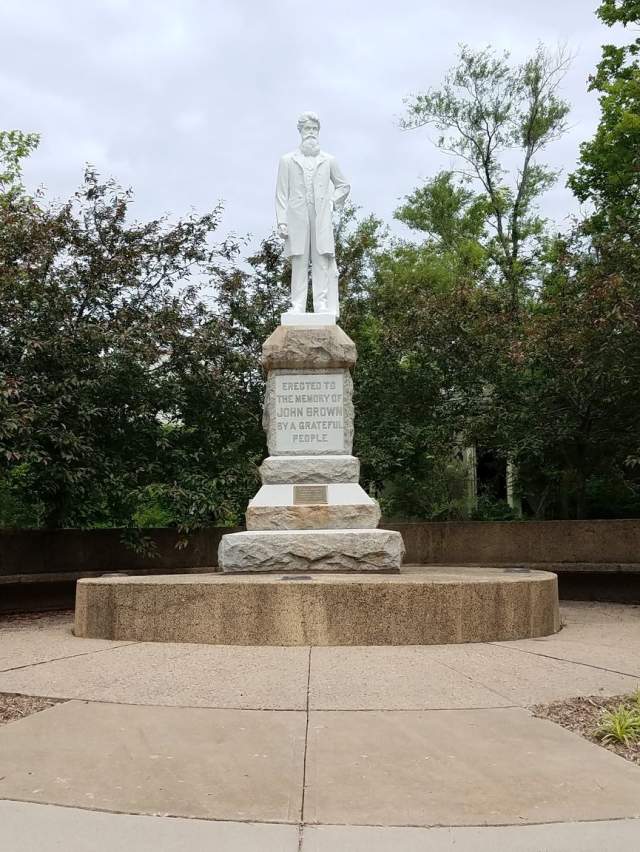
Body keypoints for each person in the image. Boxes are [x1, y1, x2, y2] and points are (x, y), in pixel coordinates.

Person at [275, 112, 350, 315]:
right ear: (300, 131)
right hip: (297, 216)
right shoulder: (287, 160)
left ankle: (321, 304)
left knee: (321, 260)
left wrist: (332, 202)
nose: (311, 133)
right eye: (307, 129)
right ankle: (297, 305)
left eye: (314, 129)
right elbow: (281, 193)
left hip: (321, 216)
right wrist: (282, 221)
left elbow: (343, 185)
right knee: (299, 260)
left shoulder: (329, 160)